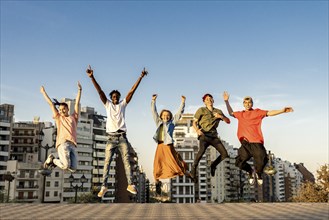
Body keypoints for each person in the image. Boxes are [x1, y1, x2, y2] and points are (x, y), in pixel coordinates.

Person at [86, 65, 147, 197]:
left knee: (126, 161)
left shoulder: (122, 104)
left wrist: (140, 77)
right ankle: (104, 187)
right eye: (113, 96)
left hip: (122, 137)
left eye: (117, 96)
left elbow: (131, 91)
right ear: (111, 97)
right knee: (107, 163)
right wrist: (92, 77)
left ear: (119, 97)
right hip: (110, 138)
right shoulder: (107, 105)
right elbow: (100, 92)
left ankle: (130, 184)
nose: (115, 97)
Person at [223, 91, 294, 185]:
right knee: (238, 162)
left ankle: (258, 173)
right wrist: (226, 101)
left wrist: (282, 110)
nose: (247, 104)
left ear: (252, 103)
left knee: (262, 159)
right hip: (245, 143)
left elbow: (269, 113)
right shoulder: (241, 114)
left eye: (249, 102)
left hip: (256, 142)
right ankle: (250, 172)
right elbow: (231, 113)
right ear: (243, 104)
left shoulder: (257, 112)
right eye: (245, 102)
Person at [151, 94, 192, 194]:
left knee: (175, 164)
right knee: (157, 165)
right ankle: (157, 182)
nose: (166, 116)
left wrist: (182, 103)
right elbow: (154, 112)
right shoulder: (158, 122)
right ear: (161, 117)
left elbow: (179, 114)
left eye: (168, 115)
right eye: (164, 115)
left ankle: (187, 173)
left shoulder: (172, 123)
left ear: (170, 117)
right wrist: (153, 101)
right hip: (160, 146)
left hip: (168, 146)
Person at [40, 82, 82, 173]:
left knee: (73, 168)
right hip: (63, 143)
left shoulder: (74, 117)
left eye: (63, 109)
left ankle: (55, 160)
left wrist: (79, 90)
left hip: (73, 145)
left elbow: (77, 104)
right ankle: (53, 160)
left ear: (67, 109)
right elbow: (51, 104)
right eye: (60, 109)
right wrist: (44, 93)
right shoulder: (59, 118)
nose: (61, 111)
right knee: (65, 165)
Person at [191, 93, 230, 182]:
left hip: (213, 136)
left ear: (213, 100)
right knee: (201, 152)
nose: (209, 100)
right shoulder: (201, 110)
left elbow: (228, 121)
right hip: (204, 134)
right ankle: (193, 170)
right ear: (204, 102)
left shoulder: (218, 111)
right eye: (207, 99)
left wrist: (220, 117)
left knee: (224, 154)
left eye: (210, 99)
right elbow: (194, 122)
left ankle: (213, 165)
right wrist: (197, 130)